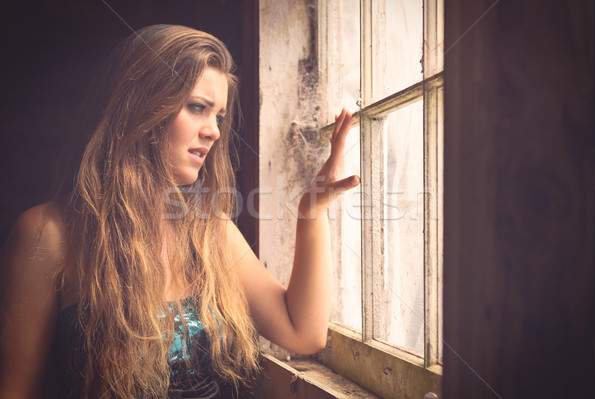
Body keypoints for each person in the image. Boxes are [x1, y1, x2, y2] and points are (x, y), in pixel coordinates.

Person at [0, 24, 358, 398]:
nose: (214, 131)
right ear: (141, 105)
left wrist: (312, 211)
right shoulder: (47, 233)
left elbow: (303, 332)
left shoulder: (209, 231)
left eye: (218, 116)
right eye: (198, 108)